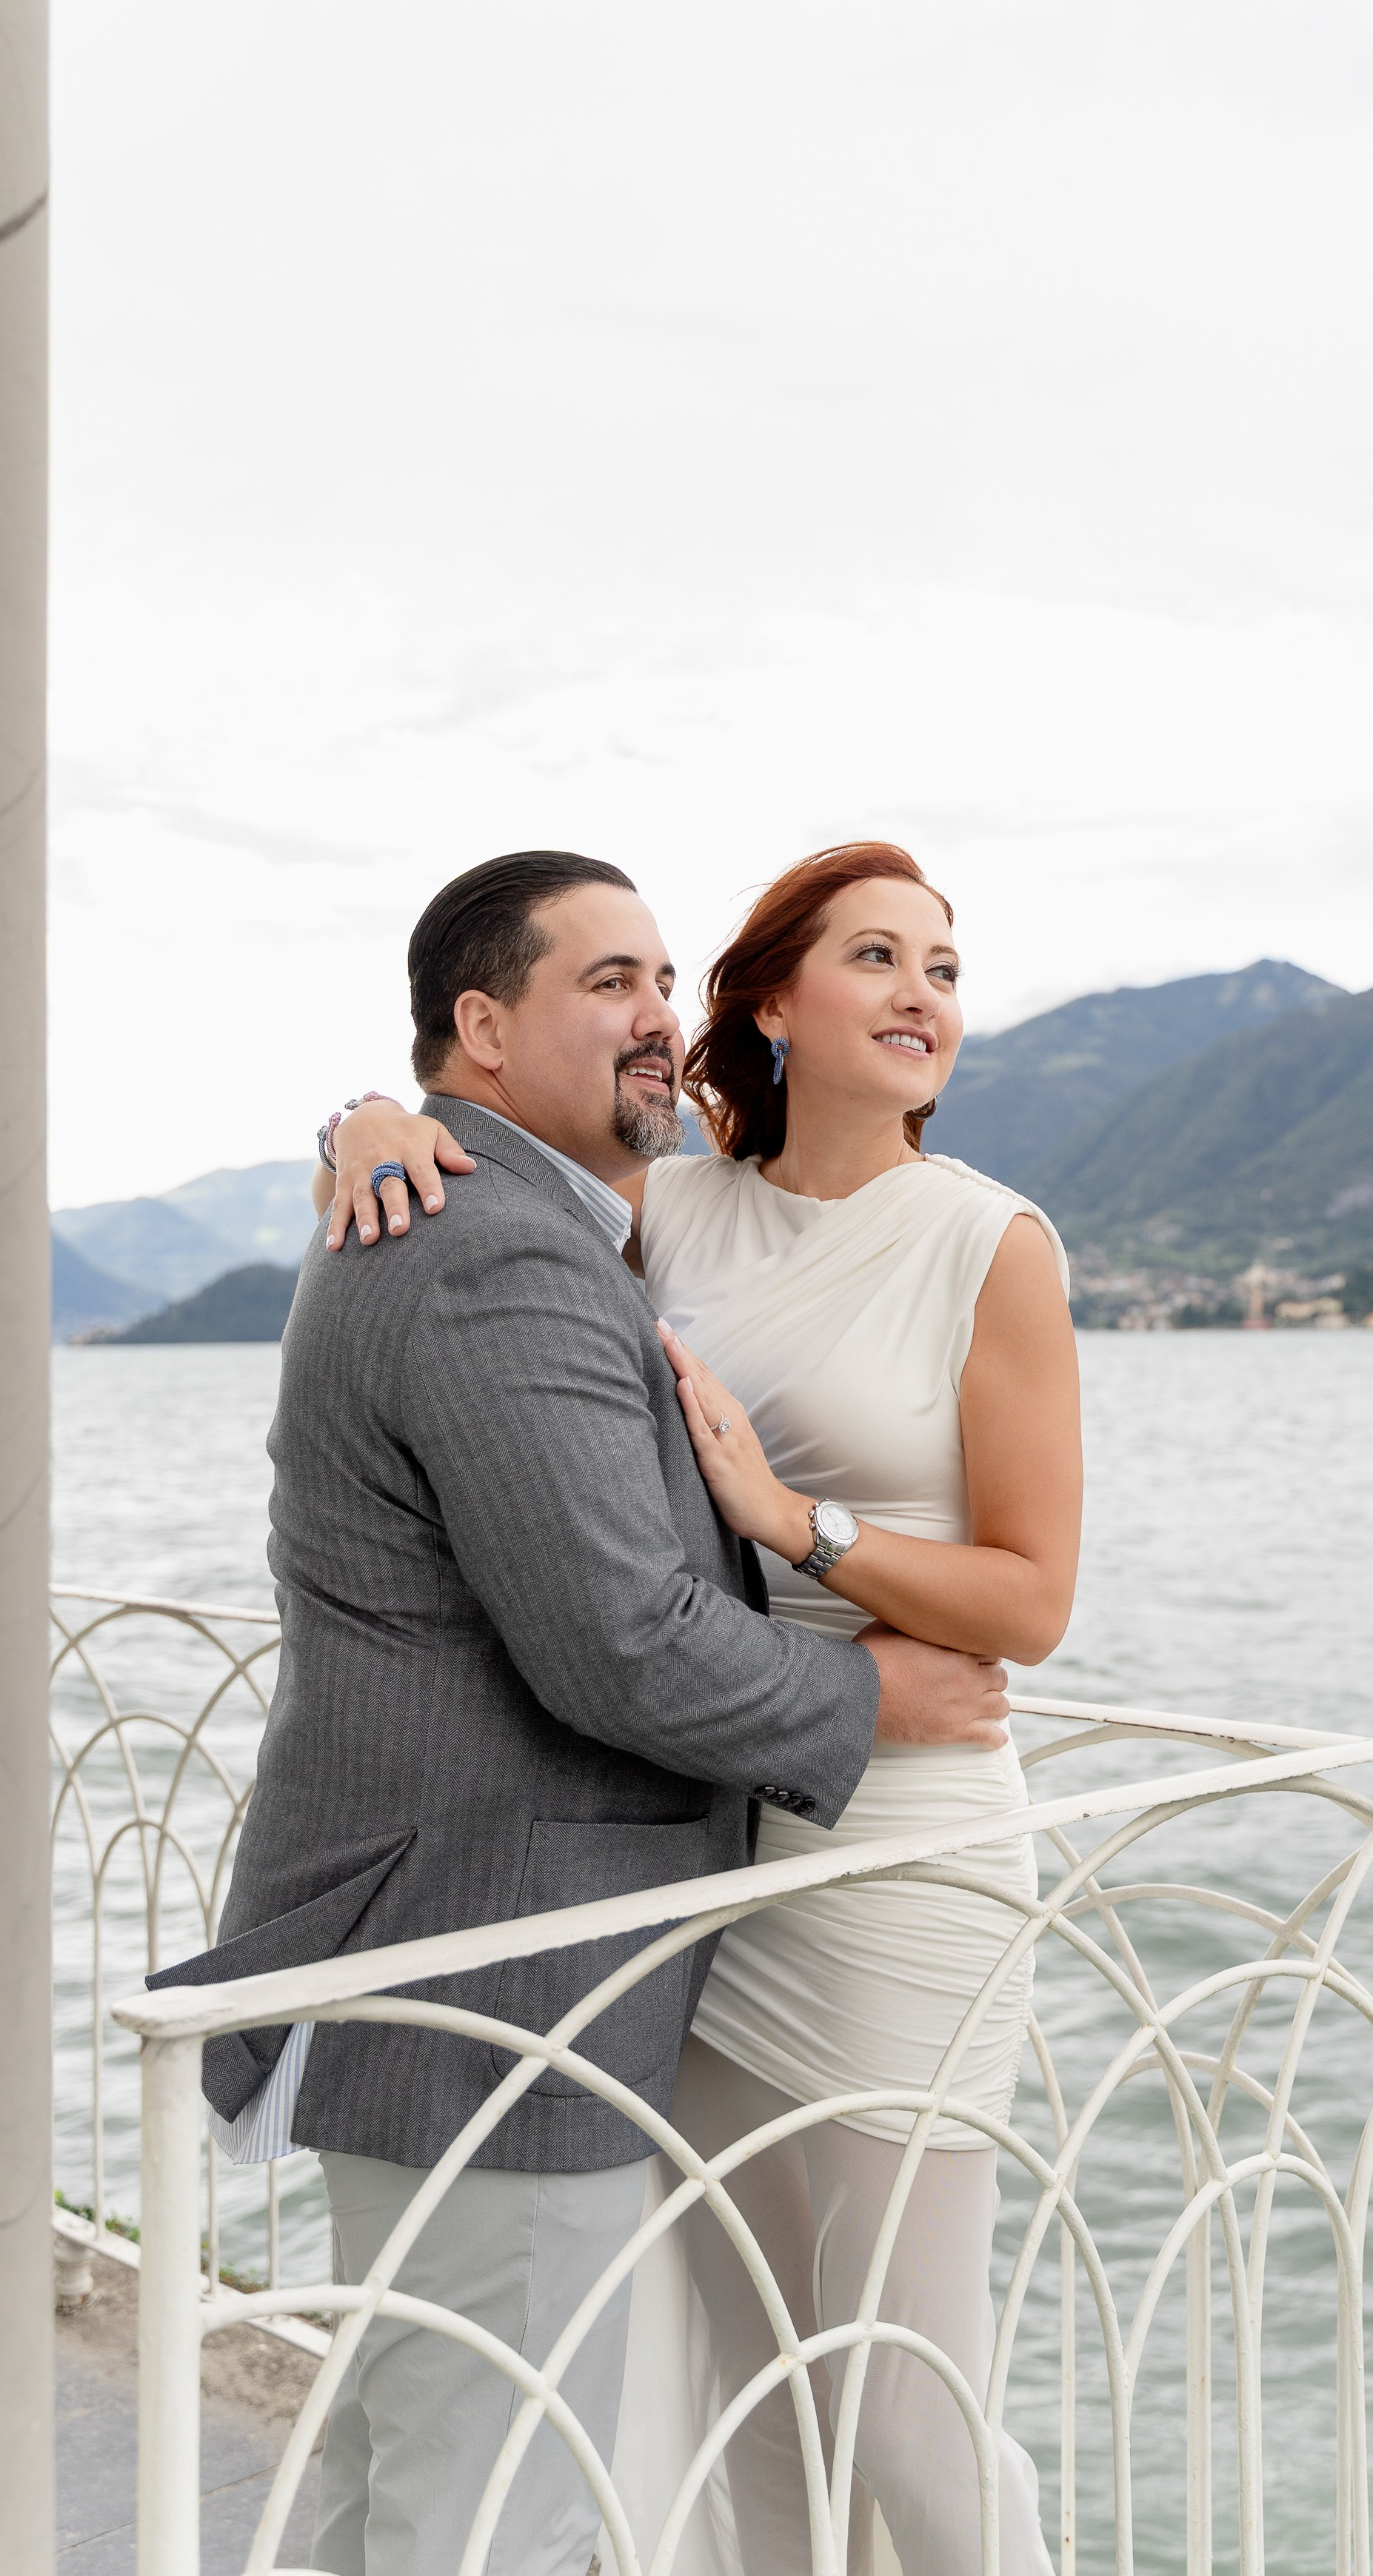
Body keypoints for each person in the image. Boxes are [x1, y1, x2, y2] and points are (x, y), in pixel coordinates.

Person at [151, 852, 1009, 2576]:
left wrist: (366, 1114)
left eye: (663, 976)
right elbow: (619, 1641)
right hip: (496, 1969)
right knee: (496, 2496)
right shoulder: (494, 1253)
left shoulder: (578, 1221)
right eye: (606, 981)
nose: (656, 1016)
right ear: (479, 1028)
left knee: (408, 2457)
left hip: (496, 1960)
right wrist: (868, 1691)